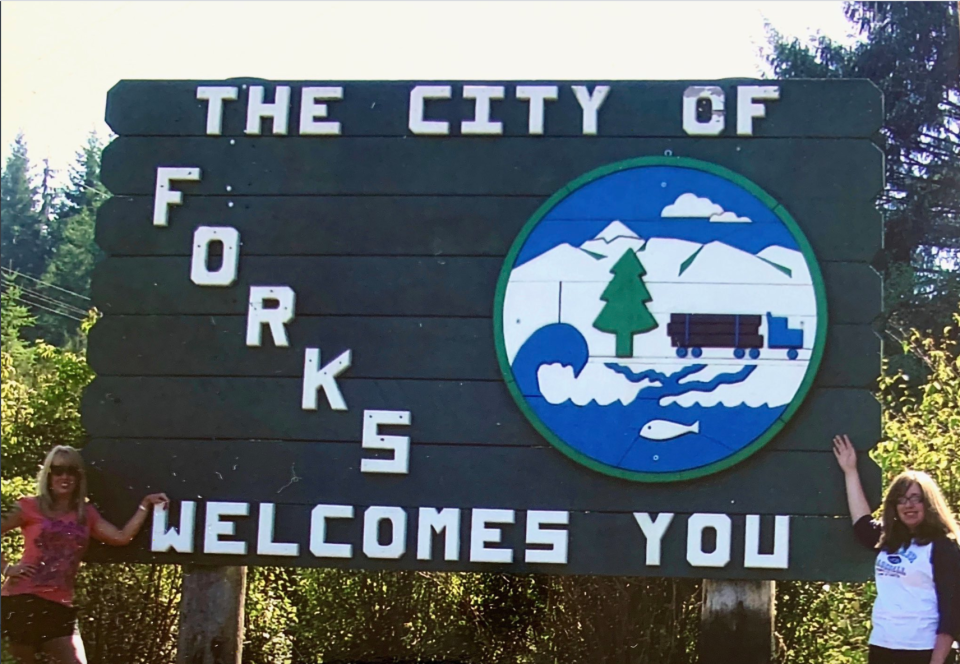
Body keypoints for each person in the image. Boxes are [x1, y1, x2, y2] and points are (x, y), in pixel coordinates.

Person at [1, 445, 168, 664]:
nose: (65, 476)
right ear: (48, 475)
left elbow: (121, 537)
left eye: (72, 471)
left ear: (79, 477)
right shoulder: (30, 506)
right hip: (22, 601)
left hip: (59, 605)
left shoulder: (85, 514)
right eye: (58, 470)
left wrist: (145, 505)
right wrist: (6, 568)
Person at [833, 434, 960, 664]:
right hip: (883, 646)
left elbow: (952, 611)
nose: (908, 505)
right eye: (901, 500)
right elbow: (862, 525)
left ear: (929, 503)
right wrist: (850, 471)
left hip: (924, 650)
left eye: (915, 498)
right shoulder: (889, 538)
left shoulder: (943, 545)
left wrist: (938, 660)